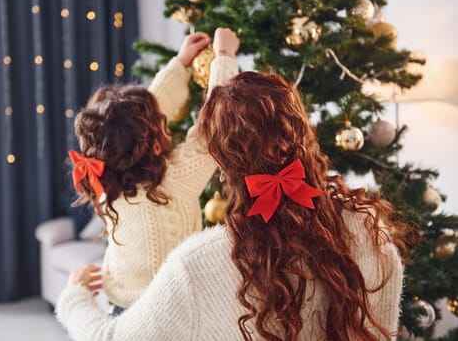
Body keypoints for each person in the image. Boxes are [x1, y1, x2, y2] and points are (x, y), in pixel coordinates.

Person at [57, 71, 411, 340]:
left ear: (221, 162)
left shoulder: (196, 264)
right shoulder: (371, 234)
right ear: (304, 132)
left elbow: (111, 338)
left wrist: (74, 299)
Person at [67, 28, 240, 314]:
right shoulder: (174, 181)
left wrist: (181, 63)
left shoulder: (107, 181)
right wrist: (224, 58)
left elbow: (136, 118)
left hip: (122, 307)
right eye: (161, 125)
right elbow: (212, 129)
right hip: (171, 314)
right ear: (154, 145)